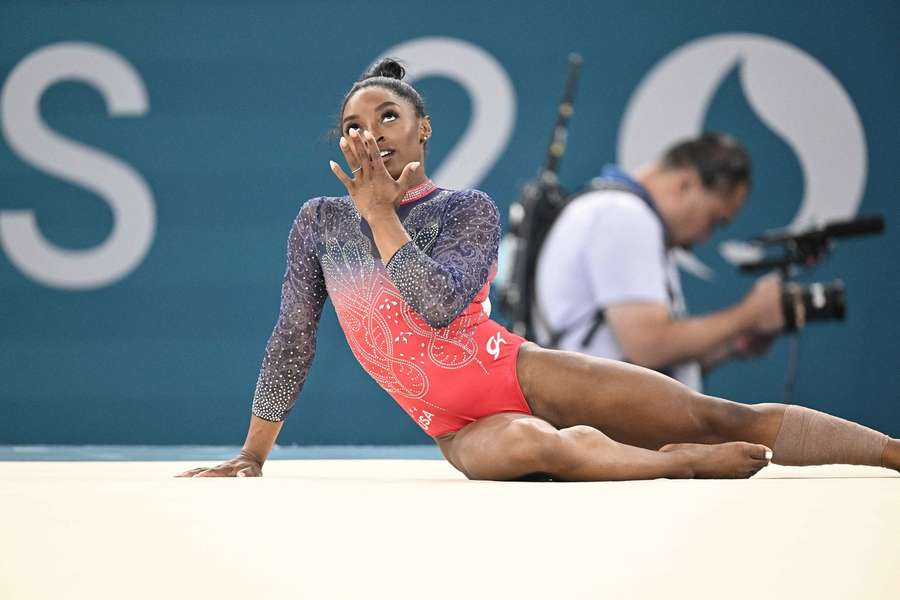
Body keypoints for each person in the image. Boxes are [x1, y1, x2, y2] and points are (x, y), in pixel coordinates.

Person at [177, 59, 899, 482]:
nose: (369, 135)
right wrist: (253, 454)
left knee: (720, 415)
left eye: (387, 118)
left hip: (516, 370)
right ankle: (675, 464)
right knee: (530, 446)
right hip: (453, 423)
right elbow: (292, 338)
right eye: (353, 127)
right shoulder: (319, 224)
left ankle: (892, 452)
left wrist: (381, 215)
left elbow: (435, 306)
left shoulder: (469, 210)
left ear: (423, 129)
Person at [534, 135, 780, 390]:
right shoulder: (626, 215)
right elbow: (647, 345)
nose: (706, 237)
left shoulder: (623, 213)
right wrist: (750, 315)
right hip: (599, 422)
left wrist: (731, 344)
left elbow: (657, 362)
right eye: (713, 220)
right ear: (686, 184)